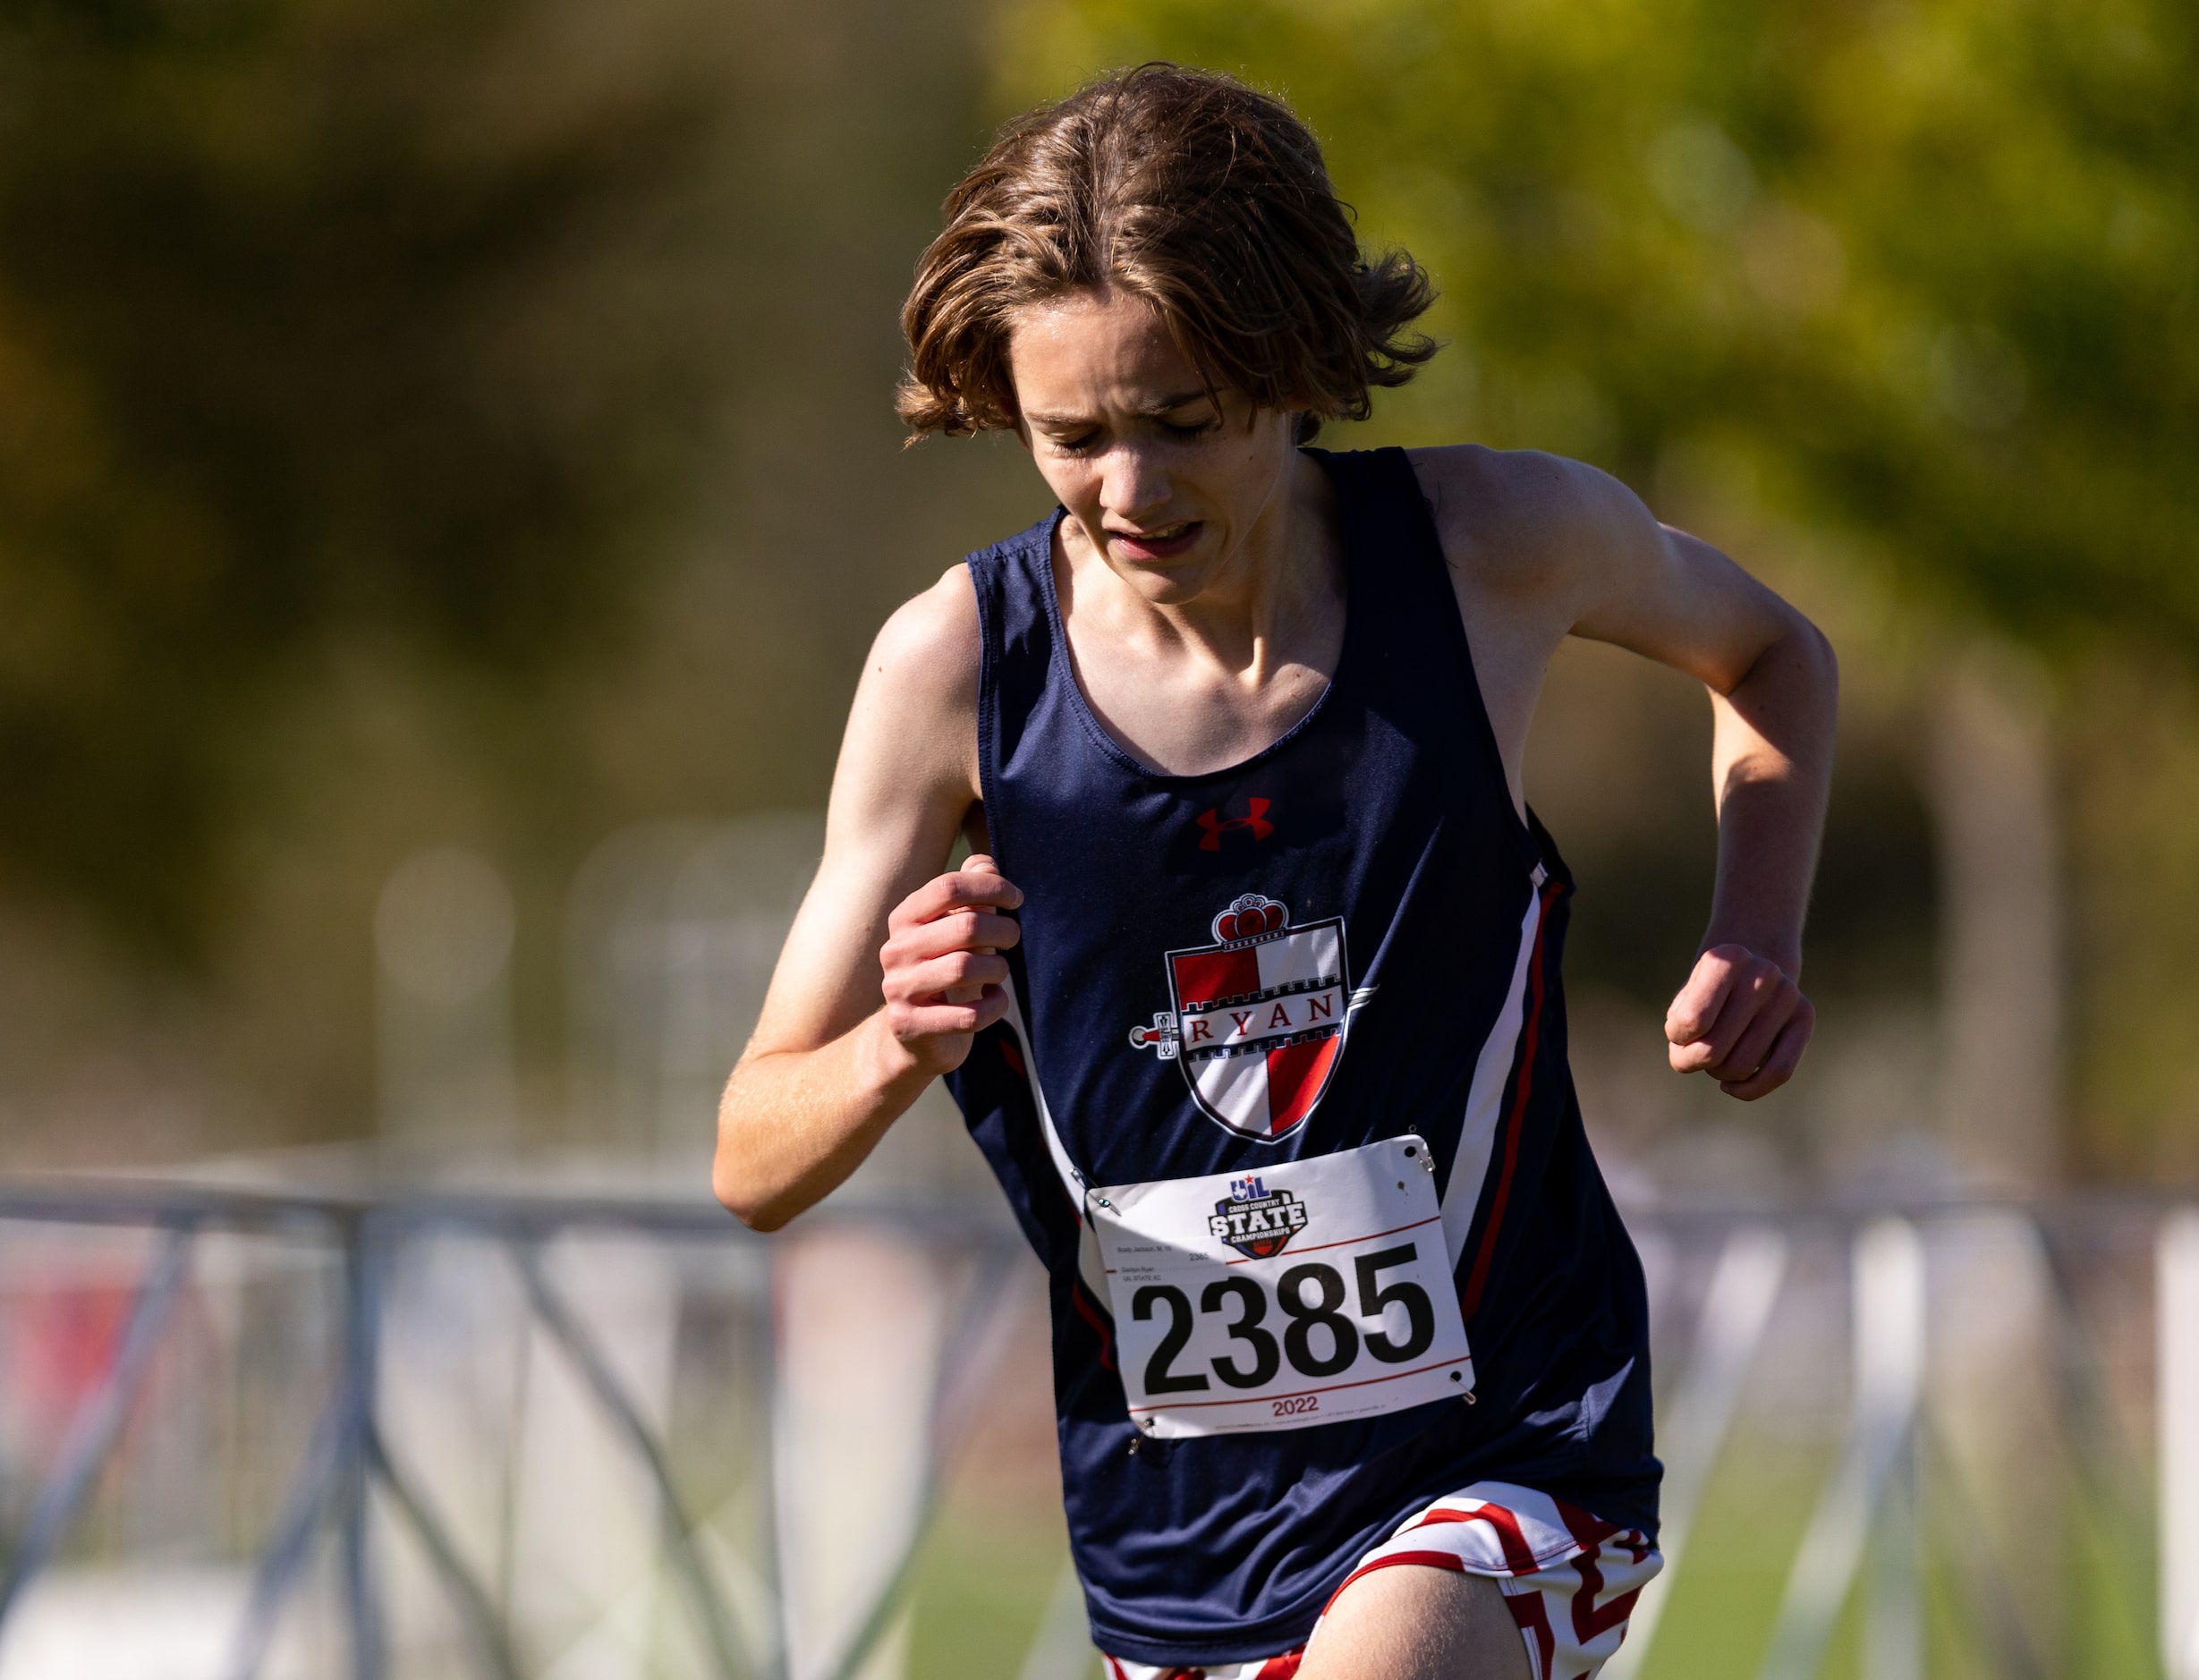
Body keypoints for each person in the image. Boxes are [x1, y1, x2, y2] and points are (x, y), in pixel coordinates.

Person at [714, 63, 1835, 1680]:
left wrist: (1758, 926)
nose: (1129, 490)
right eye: (1071, 437)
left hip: (1513, 1439)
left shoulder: (1489, 550)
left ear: (1295, 365)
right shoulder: (954, 673)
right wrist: (899, 1041)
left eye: (1182, 424)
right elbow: (753, 1153)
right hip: (1181, 1534)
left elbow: (1771, 654)